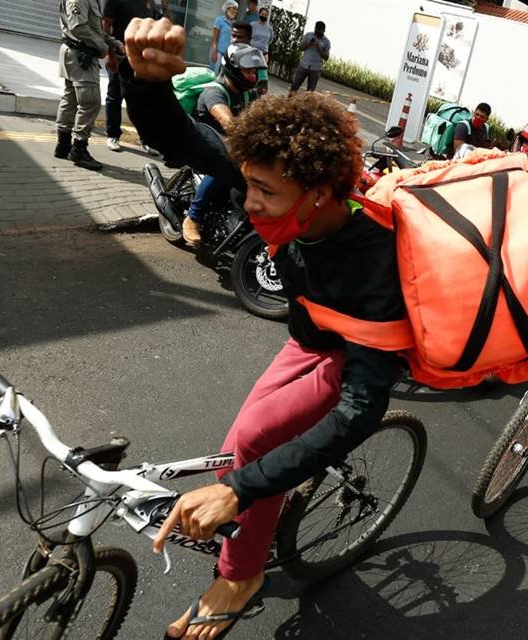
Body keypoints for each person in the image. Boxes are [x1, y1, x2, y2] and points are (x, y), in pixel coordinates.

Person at [121, 17, 405, 639]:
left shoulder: (375, 260)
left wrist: (241, 491)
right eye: (246, 184)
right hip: (306, 338)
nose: (248, 204)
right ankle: (255, 509)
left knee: (253, 445)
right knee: (243, 445)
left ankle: (240, 574)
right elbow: (179, 138)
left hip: (349, 355)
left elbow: (361, 409)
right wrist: (144, 82)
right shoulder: (269, 176)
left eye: (266, 194)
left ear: (324, 193)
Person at [181, 43, 266, 245]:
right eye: (247, 71)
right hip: (203, 146)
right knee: (228, 161)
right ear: (233, 69)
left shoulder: (247, 94)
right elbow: (227, 121)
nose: (252, 75)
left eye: (254, 71)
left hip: (228, 144)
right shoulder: (215, 92)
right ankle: (193, 217)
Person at [55, 0, 123, 171]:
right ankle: (79, 149)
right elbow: (78, 27)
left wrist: (113, 43)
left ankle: (63, 146)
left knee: (70, 98)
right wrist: (103, 47)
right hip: (80, 55)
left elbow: (95, 29)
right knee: (90, 102)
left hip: (78, 53)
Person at [102, 0, 149, 153]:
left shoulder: (148, 3)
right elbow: (106, 27)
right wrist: (110, 55)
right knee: (115, 95)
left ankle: (146, 139)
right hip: (119, 55)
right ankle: (113, 134)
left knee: (139, 99)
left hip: (139, 58)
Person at [290, 21, 330, 92]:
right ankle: (289, 101)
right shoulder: (308, 35)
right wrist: (308, 43)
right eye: (316, 30)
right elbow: (300, 48)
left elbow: (326, 57)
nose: (317, 32)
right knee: (294, 86)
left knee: (310, 92)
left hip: (315, 69)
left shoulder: (326, 42)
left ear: (323, 31)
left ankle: (306, 103)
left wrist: (318, 46)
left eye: (319, 31)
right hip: (303, 65)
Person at [210, 1, 238, 72]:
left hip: (227, 55)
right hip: (218, 53)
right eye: (234, 8)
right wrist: (214, 51)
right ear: (227, 8)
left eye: (236, 9)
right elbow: (214, 38)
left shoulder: (233, 24)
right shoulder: (219, 20)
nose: (236, 11)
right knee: (214, 75)